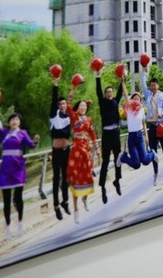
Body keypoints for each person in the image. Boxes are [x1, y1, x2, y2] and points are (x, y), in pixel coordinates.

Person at [0, 107, 39, 239]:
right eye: (12, 119)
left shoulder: (23, 133)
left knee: (18, 197)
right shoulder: (4, 133)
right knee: (6, 201)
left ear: (19, 122)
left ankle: (21, 223)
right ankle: (8, 226)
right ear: (9, 122)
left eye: (16, 119)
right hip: (6, 169)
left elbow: (31, 145)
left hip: (18, 167)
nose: (14, 121)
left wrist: (35, 141)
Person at [66, 86, 99, 223]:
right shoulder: (73, 117)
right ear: (77, 108)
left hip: (86, 150)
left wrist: (97, 148)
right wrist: (73, 89)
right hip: (76, 151)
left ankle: (85, 199)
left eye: (85, 106)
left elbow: (92, 134)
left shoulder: (88, 120)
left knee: (88, 176)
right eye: (81, 105)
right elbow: (68, 105)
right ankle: (76, 210)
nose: (83, 107)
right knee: (75, 179)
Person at [95, 71, 124, 203]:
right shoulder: (102, 102)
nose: (109, 93)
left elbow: (120, 91)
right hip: (106, 134)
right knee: (105, 161)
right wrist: (98, 76)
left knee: (118, 158)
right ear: (105, 94)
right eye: (107, 92)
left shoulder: (116, 101)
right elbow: (98, 90)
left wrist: (122, 80)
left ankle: (117, 180)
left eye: (111, 92)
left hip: (115, 133)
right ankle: (102, 187)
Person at [141, 69, 163, 185]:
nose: (153, 87)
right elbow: (143, 84)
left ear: (158, 85)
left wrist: (162, 114)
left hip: (161, 125)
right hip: (152, 126)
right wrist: (143, 72)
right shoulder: (148, 94)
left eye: (154, 85)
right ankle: (156, 174)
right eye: (151, 85)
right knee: (153, 152)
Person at [117, 86, 157, 171]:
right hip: (131, 137)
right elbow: (125, 95)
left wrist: (146, 137)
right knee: (136, 165)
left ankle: (152, 154)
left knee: (145, 161)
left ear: (140, 101)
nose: (136, 100)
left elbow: (144, 123)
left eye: (138, 99)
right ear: (131, 100)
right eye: (134, 98)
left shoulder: (142, 110)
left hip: (139, 136)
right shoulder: (129, 108)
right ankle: (123, 157)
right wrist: (123, 83)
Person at [49, 77, 72, 220]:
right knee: (56, 178)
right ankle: (56, 205)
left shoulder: (69, 117)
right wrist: (56, 84)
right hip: (56, 152)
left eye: (64, 103)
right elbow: (54, 100)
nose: (62, 105)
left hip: (66, 151)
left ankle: (65, 201)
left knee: (66, 177)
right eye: (60, 104)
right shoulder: (54, 115)